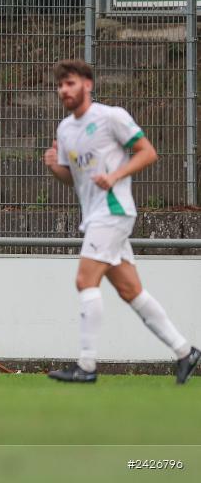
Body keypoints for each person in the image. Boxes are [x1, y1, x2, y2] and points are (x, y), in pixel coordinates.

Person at [43, 59, 200, 384]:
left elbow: (147, 152)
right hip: (96, 216)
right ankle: (185, 351)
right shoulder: (65, 129)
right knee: (131, 291)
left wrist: (115, 175)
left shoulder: (110, 117)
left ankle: (86, 367)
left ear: (88, 84)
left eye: (70, 83)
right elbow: (73, 179)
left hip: (113, 211)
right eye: (60, 85)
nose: (63, 90)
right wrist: (52, 166)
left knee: (85, 281)